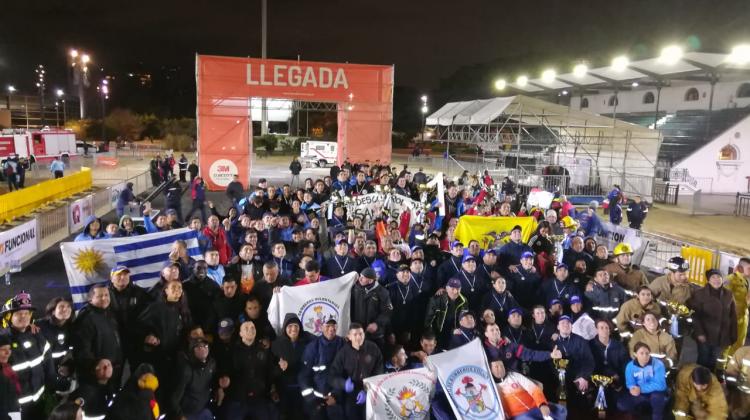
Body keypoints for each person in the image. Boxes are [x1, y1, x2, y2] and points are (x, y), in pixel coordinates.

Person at [0, 292, 54, 419]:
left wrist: (53, 391)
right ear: (8, 317)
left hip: (39, 404)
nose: (23, 317)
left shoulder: (38, 337)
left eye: (26, 314)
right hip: (15, 410)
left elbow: (48, 366)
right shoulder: (3, 342)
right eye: (18, 314)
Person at [219, 320, 279, 419]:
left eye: (252, 328)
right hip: (237, 399)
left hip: (259, 398)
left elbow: (270, 371)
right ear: (240, 333)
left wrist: (279, 369)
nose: (250, 330)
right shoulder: (232, 351)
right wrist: (224, 379)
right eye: (246, 328)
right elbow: (225, 370)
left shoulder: (263, 349)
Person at [328, 323, 383, 420]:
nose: (358, 337)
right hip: (351, 393)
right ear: (349, 337)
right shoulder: (343, 352)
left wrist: (368, 391)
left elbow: (379, 373)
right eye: (355, 334)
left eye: (361, 334)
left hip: (371, 392)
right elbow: (332, 375)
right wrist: (343, 384)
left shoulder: (373, 349)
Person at [689, 268, 738, 370]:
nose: (716, 280)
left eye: (718, 277)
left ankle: (710, 381)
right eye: (713, 277)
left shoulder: (728, 294)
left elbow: (733, 316)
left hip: (722, 336)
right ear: (708, 280)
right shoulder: (699, 294)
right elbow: (694, 315)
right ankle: (699, 381)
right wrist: (699, 333)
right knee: (703, 359)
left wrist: (733, 334)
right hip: (705, 335)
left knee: (713, 361)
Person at [490, 358, 567, 420]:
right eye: (496, 367)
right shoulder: (491, 386)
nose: (500, 368)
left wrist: (542, 404)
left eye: (501, 365)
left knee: (560, 411)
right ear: (491, 370)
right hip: (519, 416)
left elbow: (534, 388)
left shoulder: (514, 375)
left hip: (536, 407)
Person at [299, 318, 345, 420]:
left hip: (336, 398)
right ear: (321, 327)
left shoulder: (343, 344)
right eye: (328, 326)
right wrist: (312, 399)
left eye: (334, 326)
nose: (331, 329)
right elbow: (303, 376)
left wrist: (335, 396)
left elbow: (345, 373)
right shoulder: (312, 347)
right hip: (316, 399)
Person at [272, 314, 313, 420]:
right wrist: (281, 368)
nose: (293, 329)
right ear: (285, 328)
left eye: (296, 326)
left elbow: (325, 339)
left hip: (302, 388)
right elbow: (271, 369)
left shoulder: (308, 340)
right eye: (290, 326)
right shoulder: (277, 344)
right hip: (284, 389)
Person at [168, 337, 216, 420]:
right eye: (198, 347)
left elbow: (213, 381)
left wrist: (219, 388)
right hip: (188, 413)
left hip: (204, 409)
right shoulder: (187, 371)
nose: (202, 348)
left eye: (205, 345)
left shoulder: (211, 364)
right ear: (192, 351)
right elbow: (175, 398)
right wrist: (180, 416)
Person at [617, 342, 668, 420]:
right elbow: (629, 383)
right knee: (621, 404)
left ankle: (657, 416)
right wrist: (632, 388)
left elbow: (660, 385)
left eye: (647, 353)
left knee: (656, 398)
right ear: (635, 354)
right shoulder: (630, 366)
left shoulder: (658, 364)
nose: (645, 356)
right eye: (641, 353)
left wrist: (641, 389)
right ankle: (638, 415)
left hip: (655, 393)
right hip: (639, 393)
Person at [350, 268, 392, 348]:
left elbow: (387, 312)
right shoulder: (354, 289)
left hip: (375, 335)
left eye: (363, 277)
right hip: (357, 333)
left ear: (370, 281)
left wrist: (377, 323)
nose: (360, 279)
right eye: (360, 276)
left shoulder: (383, 292)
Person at [425, 277, 467, 349]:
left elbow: (464, 317)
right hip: (439, 335)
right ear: (447, 288)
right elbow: (428, 322)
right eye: (453, 289)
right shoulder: (436, 300)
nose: (455, 292)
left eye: (458, 289)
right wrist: (432, 338)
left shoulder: (464, 300)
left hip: (456, 333)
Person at [725, 257, 750, 356]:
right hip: (731, 319)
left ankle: (732, 366)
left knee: (739, 345)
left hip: (743, 319)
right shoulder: (731, 279)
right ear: (740, 268)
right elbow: (724, 299)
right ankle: (722, 368)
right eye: (749, 268)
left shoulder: (746, 281)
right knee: (727, 346)